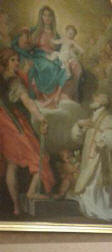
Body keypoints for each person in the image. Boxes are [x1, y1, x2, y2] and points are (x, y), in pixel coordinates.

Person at [0, 48, 54, 215]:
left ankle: (16, 207)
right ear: (5, 62)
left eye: (17, 59)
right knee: (38, 157)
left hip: (4, 123)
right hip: (12, 124)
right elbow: (28, 102)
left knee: (12, 165)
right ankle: (30, 193)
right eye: (13, 60)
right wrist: (41, 118)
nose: (16, 62)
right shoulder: (14, 81)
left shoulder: (7, 79)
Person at [69, 93, 112, 221]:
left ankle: (96, 203)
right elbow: (77, 137)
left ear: (103, 102)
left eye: (96, 98)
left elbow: (111, 136)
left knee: (95, 181)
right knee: (88, 178)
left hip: (100, 156)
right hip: (89, 155)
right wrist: (79, 125)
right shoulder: (92, 117)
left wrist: (101, 141)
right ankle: (89, 201)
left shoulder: (108, 118)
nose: (93, 100)